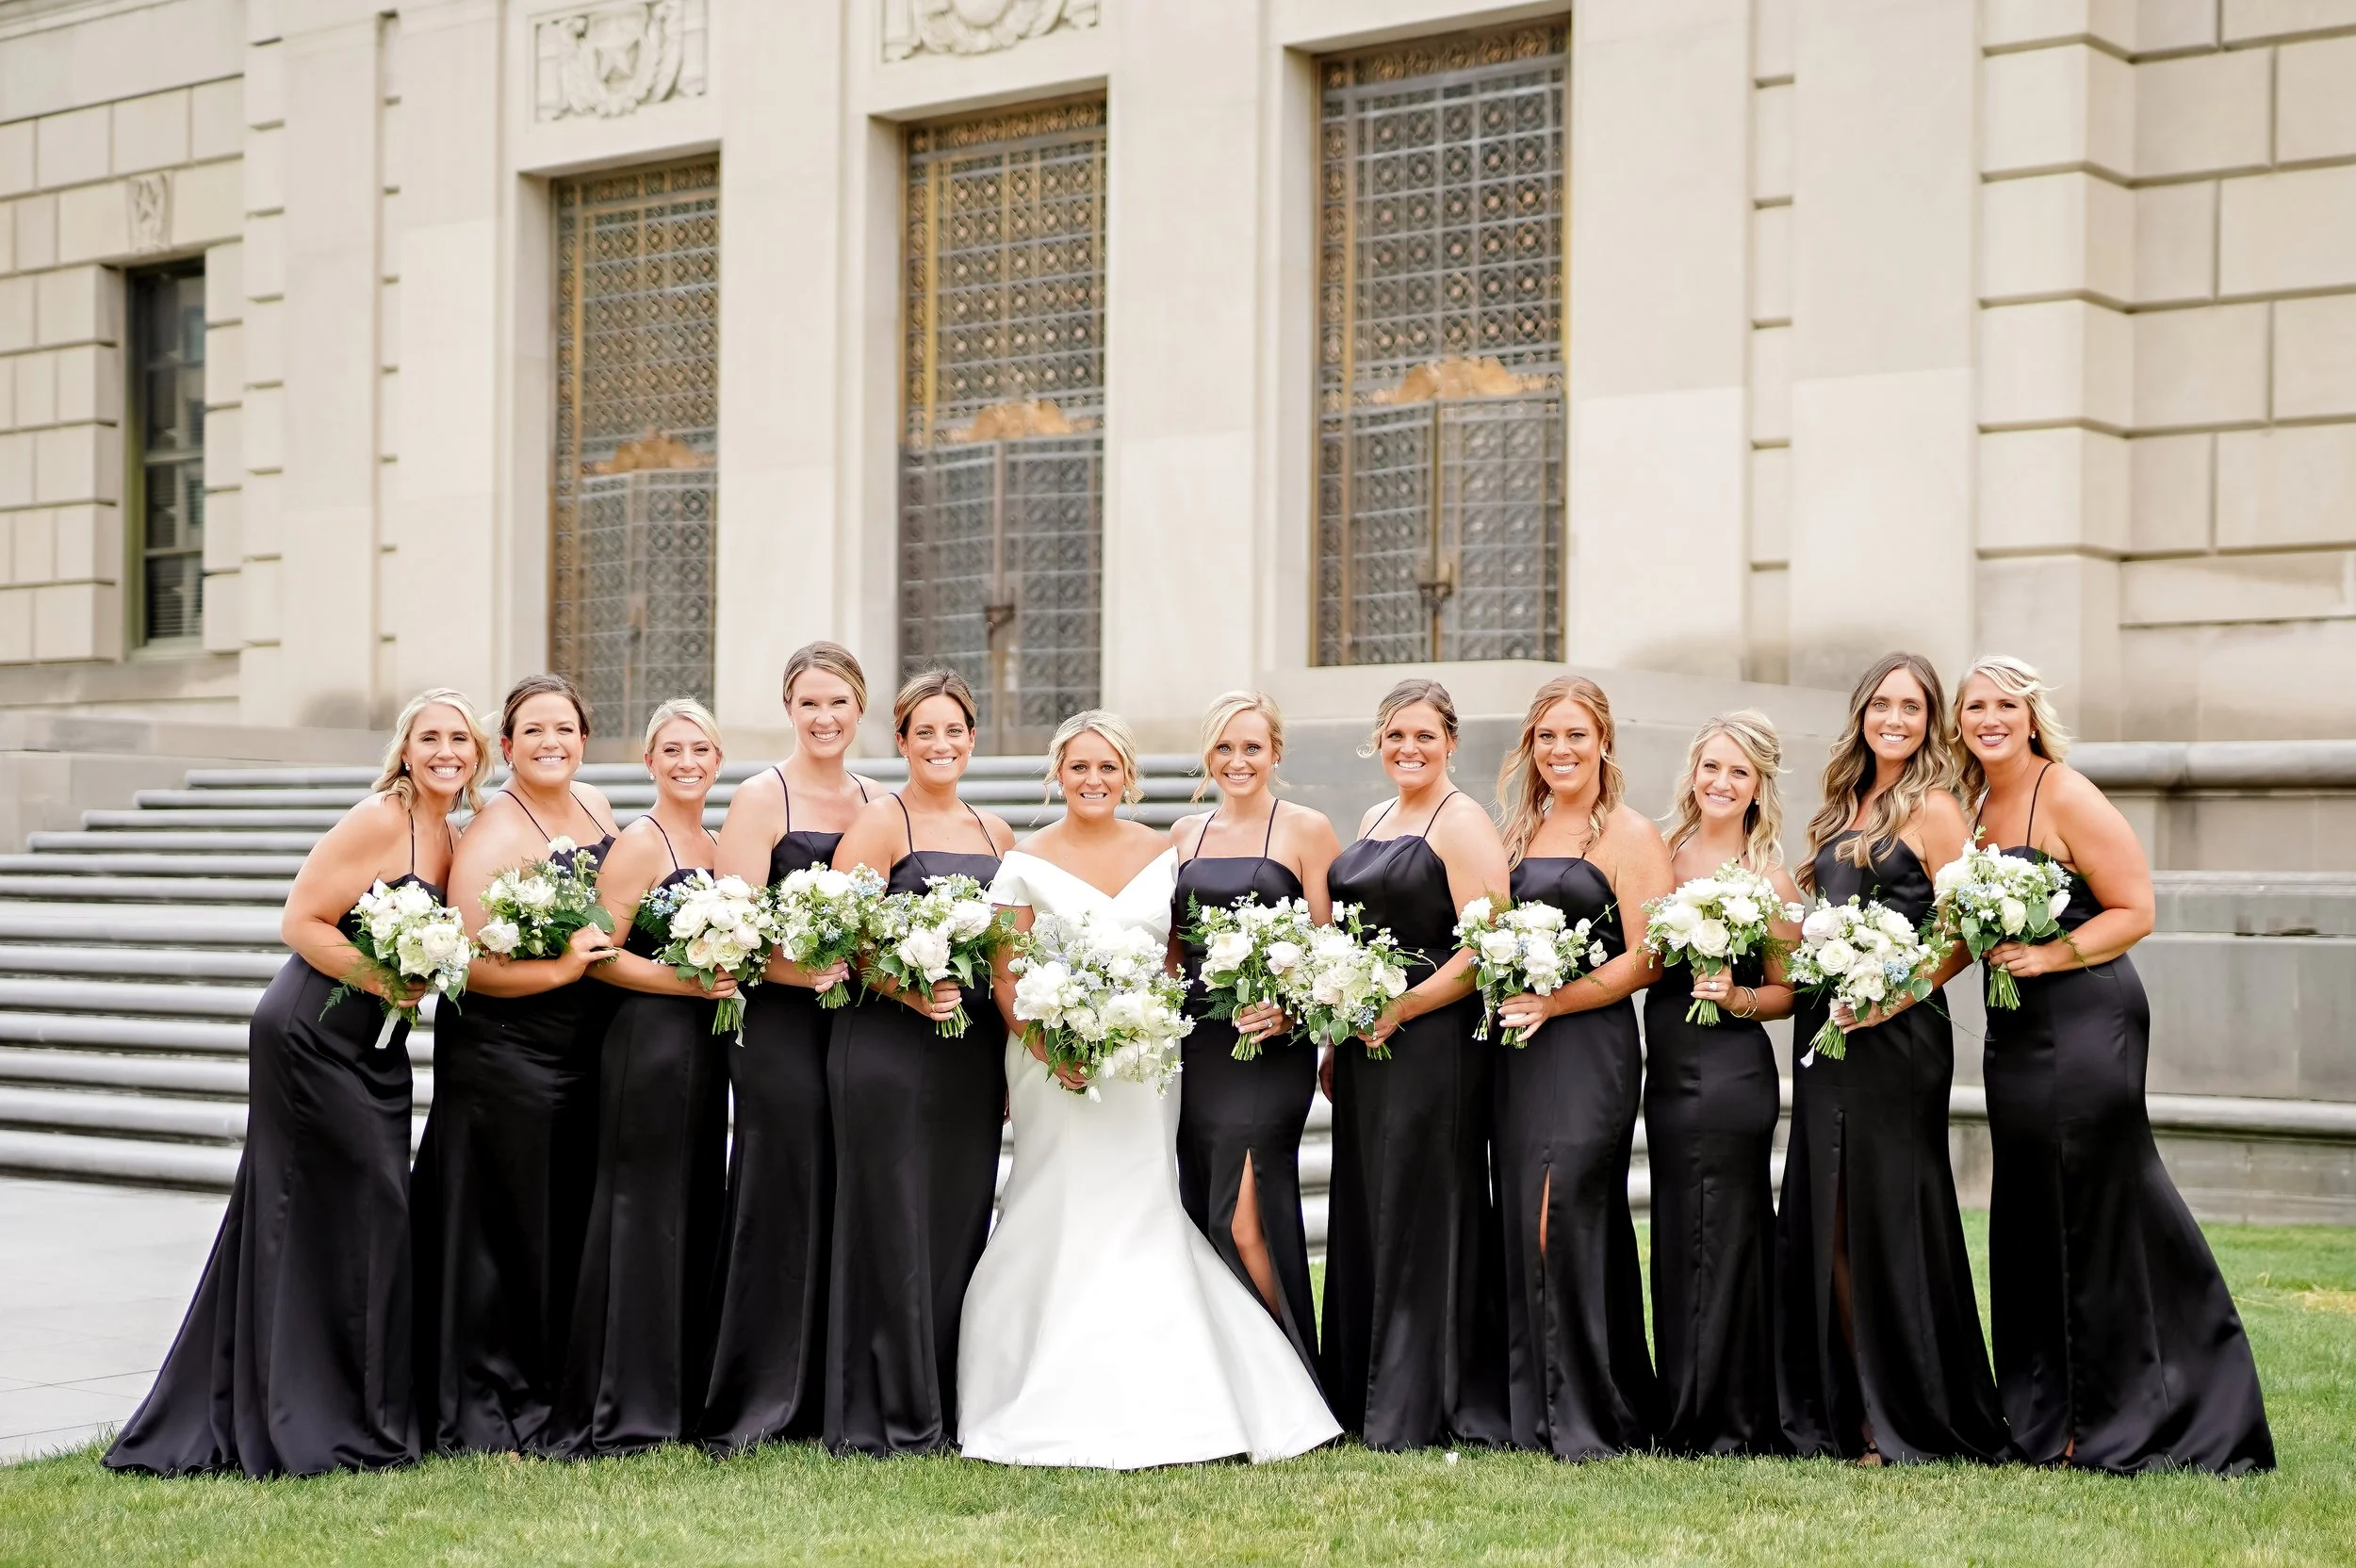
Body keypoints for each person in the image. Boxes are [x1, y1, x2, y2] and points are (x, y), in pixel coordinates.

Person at [107, 690, 489, 1477]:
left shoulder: (449, 835)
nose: (447, 750)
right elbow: (302, 920)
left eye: (461, 739)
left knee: (357, 1214)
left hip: (374, 1050)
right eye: (431, 738)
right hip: (309, 1034)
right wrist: (386, 979)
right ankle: (301, 1411)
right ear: (406, 750)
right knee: (325, 1213)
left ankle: (348, 1398)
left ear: (479, 756)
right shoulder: (381, 817)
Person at [957, 711, 1341, 1467]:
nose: (1094, 781)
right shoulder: (1024, 859)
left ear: (1127, 776)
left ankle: (1179, 1389)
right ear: (1057, 775)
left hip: (1145, 1065)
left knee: (1143, 1205)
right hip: (1054, 1066)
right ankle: (1033, 1383)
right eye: (1079, 768)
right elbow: (1005, 974)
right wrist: (1050, 1045)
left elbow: (1175, 959)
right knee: (1059, 1202)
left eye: (1108, 768)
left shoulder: (1165, 852)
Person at [1958, 656, 2273, 1475]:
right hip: (2014, 1029)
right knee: (2031, 1207)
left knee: (2097, 1201)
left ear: (2031, 715)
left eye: (2005, 704)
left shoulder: (2063, 790)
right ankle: (2047, 1414)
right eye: (1974, 706)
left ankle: (2140, 1409)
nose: (1989, 718)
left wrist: (2053, 955)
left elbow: (2137, 907)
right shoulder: (1971, 803)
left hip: (2087, 1016)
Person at [1775, 652, 2013, 1465]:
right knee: (1831, 1210)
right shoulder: (1848, 801)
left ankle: (1902, 1413)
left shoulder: (1936, 807)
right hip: (1828, 1025)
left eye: (1912, 708)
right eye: (1883, 705)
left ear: (1930, 720)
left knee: (1885, 1213)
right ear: (1862, 713)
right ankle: (1847, 1409)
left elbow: (1960, 934)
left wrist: (1895, 992)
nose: (1895, 720)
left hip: (1899, 1034)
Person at [411, 674, 621, 1454]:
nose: (550, 743)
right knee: (509, 1222)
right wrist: (562, 971)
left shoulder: (597, 805)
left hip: (581, 1046)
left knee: (562, 1214)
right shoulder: (493, 831)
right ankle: (495, 1388)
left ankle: (562, 1374)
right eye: (532, 731)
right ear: (505, 748)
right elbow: (463, 964)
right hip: (505, 1051)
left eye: (563, 728)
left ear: (584, 738)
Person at [823, 669, 1016, 1456]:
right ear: (900, 741)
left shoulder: (997, 833)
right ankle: (888, 1410)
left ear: (973, 739)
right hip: (887, 1045)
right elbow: (836, 938)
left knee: (955, 1217)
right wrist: (905, 990)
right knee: (892, 1219)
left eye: (954, 730)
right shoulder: (880, 823)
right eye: (924, 732)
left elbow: (1011, 951)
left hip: (971, 1052)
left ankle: (944, 1396)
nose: (941, 744)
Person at [1318, 679, 1513, 1450]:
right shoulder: (1372, 817)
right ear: (1377, 739)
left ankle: (1420, 1397)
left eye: (1425, 737)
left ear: (1452, 743)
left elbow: (1481, 953)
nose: (1409, 749)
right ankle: (1364, 1388)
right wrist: (1342, 1027)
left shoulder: (1463, 823)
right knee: (1372, 1204)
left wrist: (1401, 1008)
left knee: (1423, 1206)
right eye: (1396, 735)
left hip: (1433, 1043)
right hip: (1368, 1044)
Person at [543, 700, 736, 1458]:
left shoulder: (717, 842)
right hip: (650, 1043)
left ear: (718, 762)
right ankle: (623, 1402)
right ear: (649, 763)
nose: (688, 763)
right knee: (641, 1212)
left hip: (706, 1048)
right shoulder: (639, 842)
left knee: (689, 1206)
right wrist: (684, 982)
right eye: (672, 751)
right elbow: (598, 953)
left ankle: (678, 1392)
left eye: (701, 751)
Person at [1486, 676, 1671, 1459]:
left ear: (1603, 745)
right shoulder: (1514, 833)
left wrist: (1557, 1001)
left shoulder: (1629, 834)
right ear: (1531, 747)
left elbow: (1651, 958)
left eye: (1576, 736)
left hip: (1589, 1046)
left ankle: (1591, 1411)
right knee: (1525, 1214)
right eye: (1548, 737)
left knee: (1561, 1211)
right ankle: (1537, 1407)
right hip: (1518, 1055)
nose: (1561, 750)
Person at [702, 643, 879, 1451]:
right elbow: (732, 932)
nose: (825, 717)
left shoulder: (880, 798)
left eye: (838, 702)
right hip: (777, 1020)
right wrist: (802, 968)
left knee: (850, 1186)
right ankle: (763, 1395)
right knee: (784, 1187)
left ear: (861, 707)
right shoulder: (760, 797)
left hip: (861, 1021)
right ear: (788, 708)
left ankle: (841, 1391)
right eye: (810, 703)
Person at [1166, 692, 1340, 1381]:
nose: (1238, 762)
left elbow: (1331, 950)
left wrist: (1295, 1014)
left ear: (1275, 754)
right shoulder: (1184, 835)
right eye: (1225, 749)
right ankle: (1233, 1384)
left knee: (1247, 1215)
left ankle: (1292, 1380)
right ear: (1208, 756)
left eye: (1252, 748)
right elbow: (1174, 953)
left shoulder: (1306, 829)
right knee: (1208, 1210)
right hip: (1202, 1047)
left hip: (1273, 1049)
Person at [1643, 711, 1800, 1456]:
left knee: (1731, 1226)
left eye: (1738, 772)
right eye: (1711, 767)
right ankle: (1680, 1400)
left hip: (1733, 1070)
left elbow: (1789, 991)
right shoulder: (1661, 855)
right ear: (1692, 772)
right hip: (1668, 1068)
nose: (1721, 783)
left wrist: (1736, 997)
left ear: (1759, 786)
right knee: (1678, 1226)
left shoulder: (1769, 876)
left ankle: (1734, 1413)